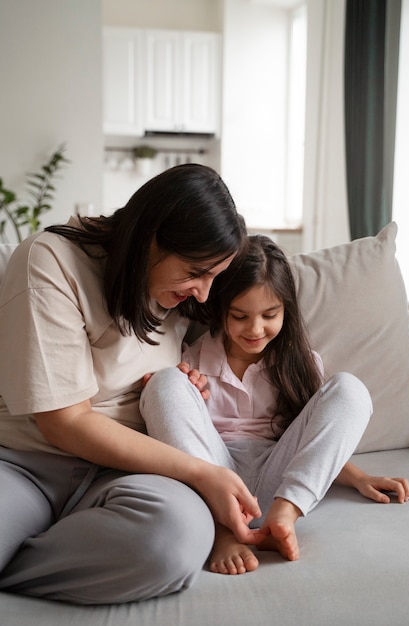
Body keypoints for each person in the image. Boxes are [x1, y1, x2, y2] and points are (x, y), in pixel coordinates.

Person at [0, 164, 266, 605]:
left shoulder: (183, 297)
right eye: (196, 272)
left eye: (214, 276)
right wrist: (202, 473)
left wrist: (185, 388)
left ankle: (23, 560)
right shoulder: (49, 261)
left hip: (127, 471)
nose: (204, 292)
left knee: (172, 541)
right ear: (149, 237)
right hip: (27, 463)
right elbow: (64, 422)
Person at [139, 234, 409, 575]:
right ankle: (225, 530)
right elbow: (181, 431)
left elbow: (313, 440)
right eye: (239, 316)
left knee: (350, 389)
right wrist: (174, 390)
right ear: (220, 310)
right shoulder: (194, 360)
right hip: (213, 477)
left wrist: (358, 477)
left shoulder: (300, 363)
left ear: (286, 310)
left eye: (270, 314)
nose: (255, 329)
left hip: (277, 479)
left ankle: (286, 513)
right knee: (165, 382)